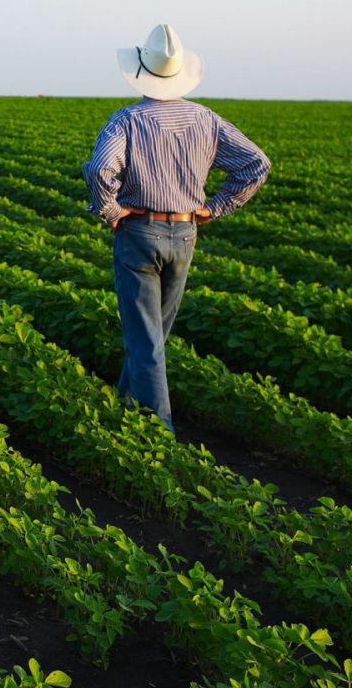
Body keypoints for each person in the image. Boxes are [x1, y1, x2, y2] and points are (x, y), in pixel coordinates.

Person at [82, 24, 270, 434]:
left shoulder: (128, 120)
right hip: (185, 235)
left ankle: (159, 432)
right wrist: (216, 208)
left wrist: (111, 211)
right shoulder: (206, 120)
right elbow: (257, 164)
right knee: (154, 336)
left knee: (145, 337)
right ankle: (127, 408)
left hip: (139, 233)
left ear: (141, 72)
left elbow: (99, 169)